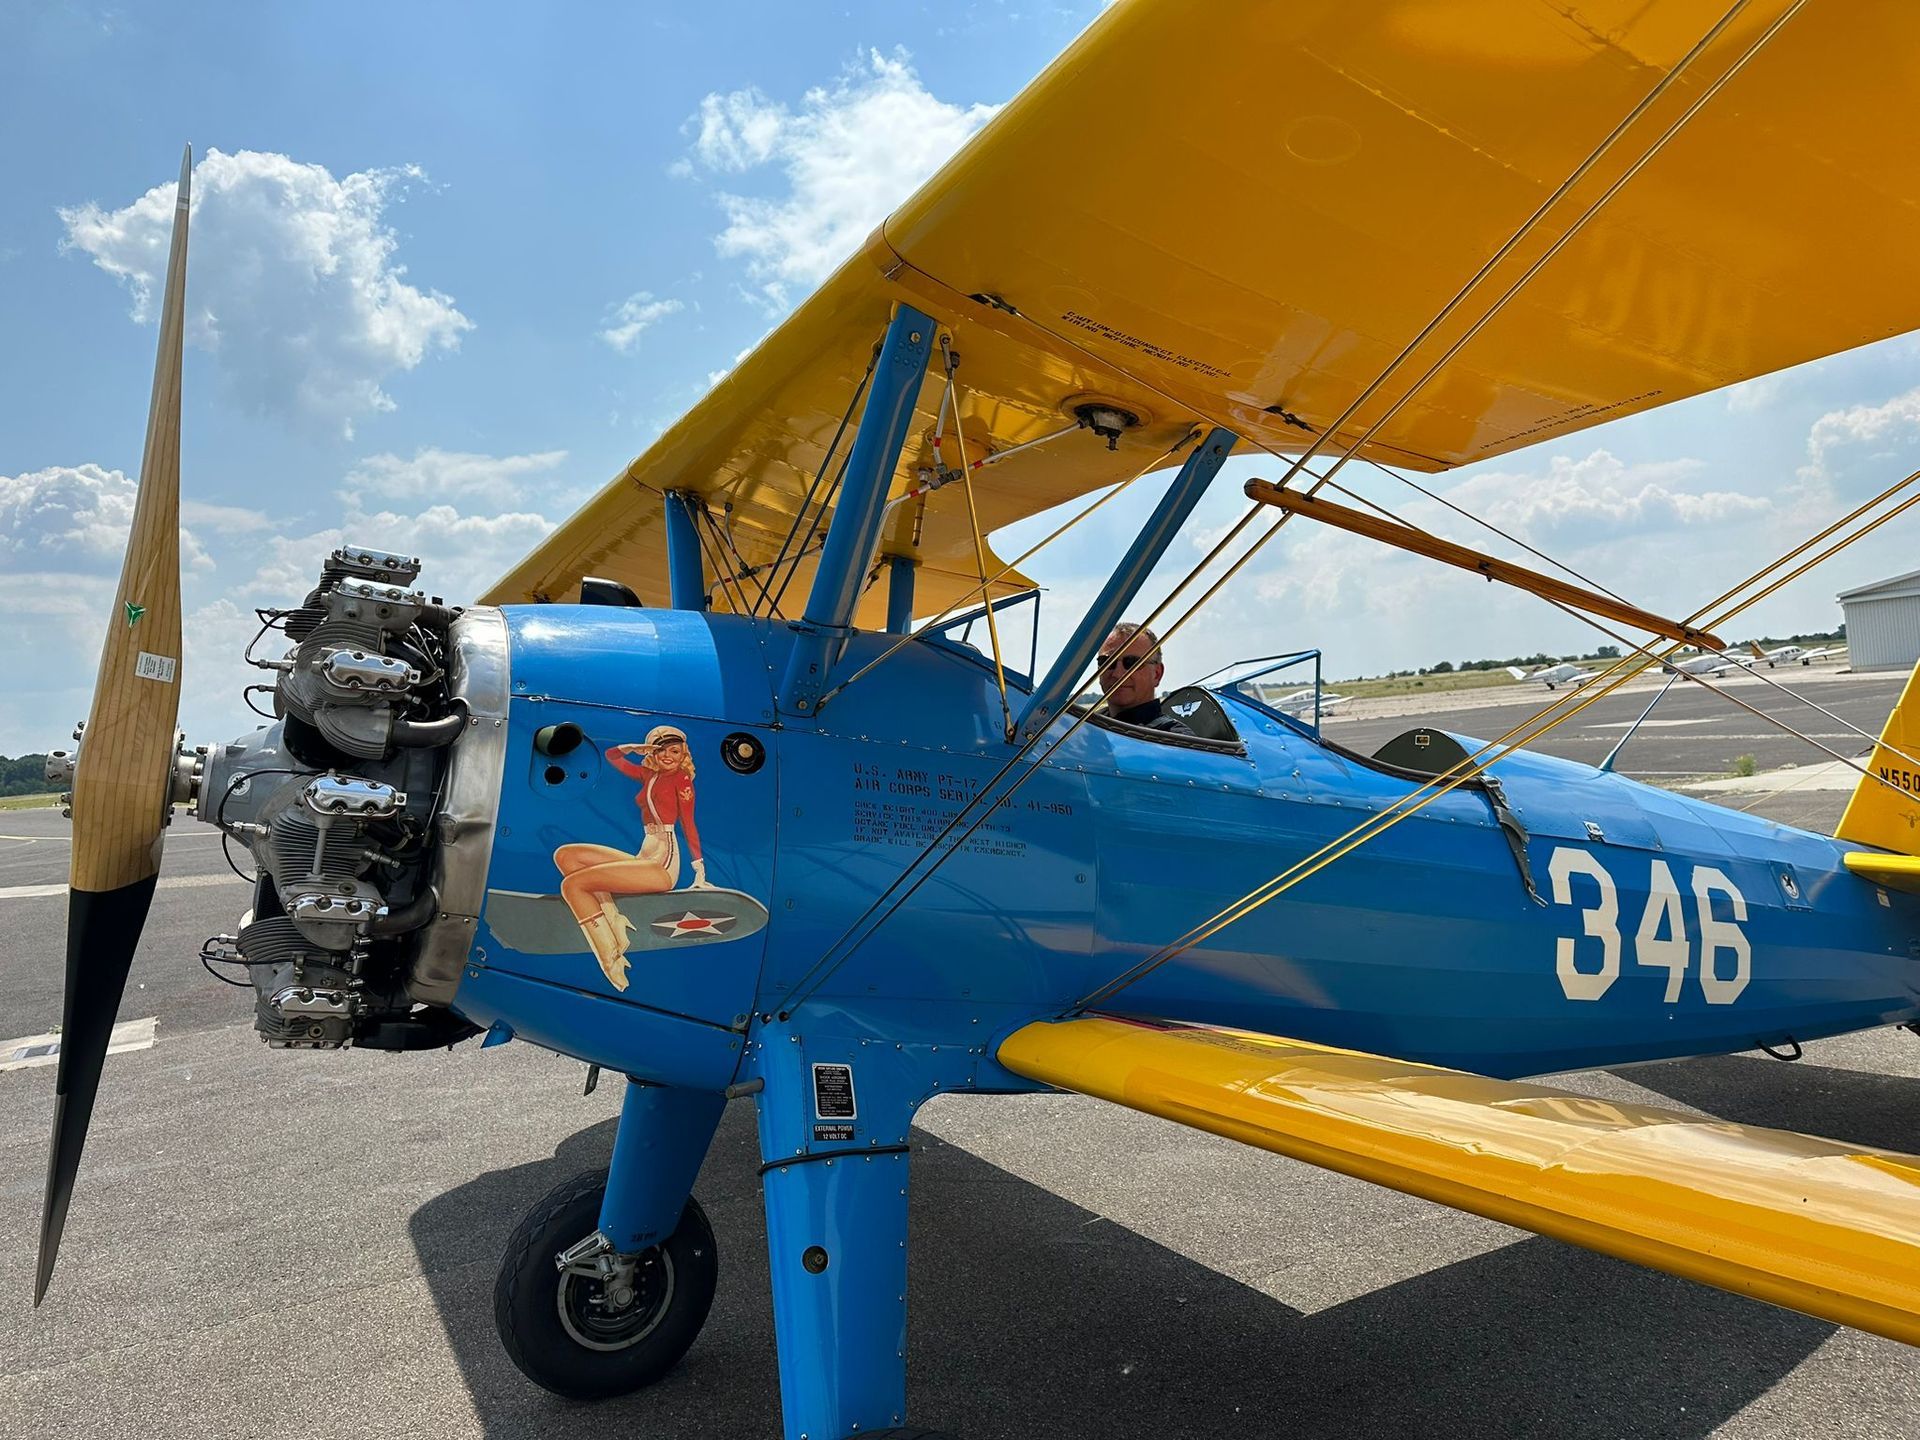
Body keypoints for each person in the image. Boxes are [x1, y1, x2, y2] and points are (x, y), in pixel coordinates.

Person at [553, 724, 709, 990]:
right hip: (643, 857)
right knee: (567, 856)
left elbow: (689, 823)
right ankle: (614, 918)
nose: (668, 756)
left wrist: (699, 870)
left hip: (662, 865)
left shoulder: (681, 779)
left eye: (675, 751)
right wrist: (634, 748)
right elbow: (612, 756)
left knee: (573, 885)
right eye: (662, 751)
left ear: (684, 753)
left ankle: (611, 958)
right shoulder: (648, 774)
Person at [1096, 622, 1191, 734]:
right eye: (1106, 662)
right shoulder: (1083, 726)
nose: (1118, 673)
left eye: (1132, 663)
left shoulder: (1174, 738)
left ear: (1157, 674)